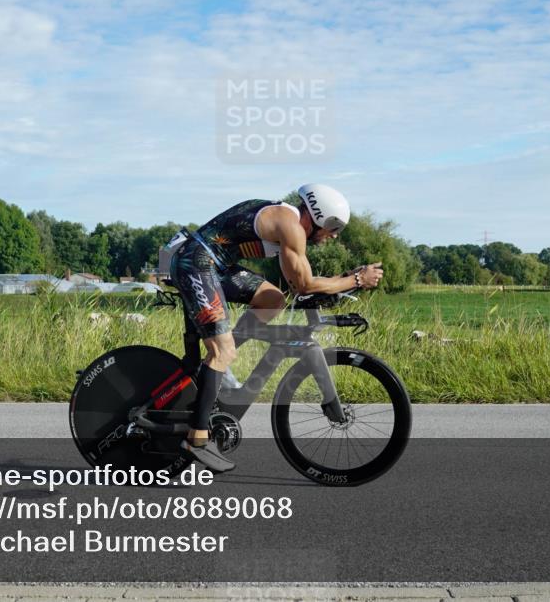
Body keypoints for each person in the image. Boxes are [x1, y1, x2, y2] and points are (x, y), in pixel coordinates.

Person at [160, 184, 384, 472]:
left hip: (215, 265)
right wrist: (355, 281)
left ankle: (217, 366)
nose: (334, 235)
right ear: (319, 216)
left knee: (272, 299)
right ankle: (197, 439)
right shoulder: (289, 226)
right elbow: (304, 284)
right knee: (222, 351)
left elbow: (297, 286)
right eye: (333, 226)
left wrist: (344, 278)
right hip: (197, 264)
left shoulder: (287, 223)